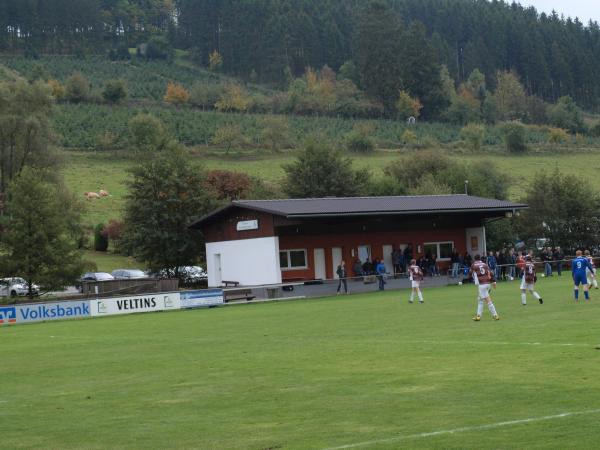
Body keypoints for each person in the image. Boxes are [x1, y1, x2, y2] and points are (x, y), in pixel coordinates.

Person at [469, 254, 500, 321]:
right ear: (480, 259)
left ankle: (495, 315)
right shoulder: (485, 264)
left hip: (482, 285)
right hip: (488, 284)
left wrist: (470, 277)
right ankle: (478, 316)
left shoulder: (474, 264)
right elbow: (490, 273)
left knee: (488, 300)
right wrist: (494, 282)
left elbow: (470, 272)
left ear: (475, 259)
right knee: (480, 300)